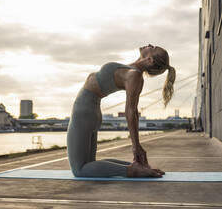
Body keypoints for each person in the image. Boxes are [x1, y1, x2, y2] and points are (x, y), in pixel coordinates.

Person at [67, 44, 176, 178]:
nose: (149, 45)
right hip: (90, 111)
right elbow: (133, 111)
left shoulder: (134, 75)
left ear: (150, 60)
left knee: (80, 170)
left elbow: (131, 111)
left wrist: (136, 145)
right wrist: (137, 146)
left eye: (153, 48)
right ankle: (137, 167)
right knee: (88, 164)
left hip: (84, 111)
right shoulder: (132, 71)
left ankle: (132, 171)